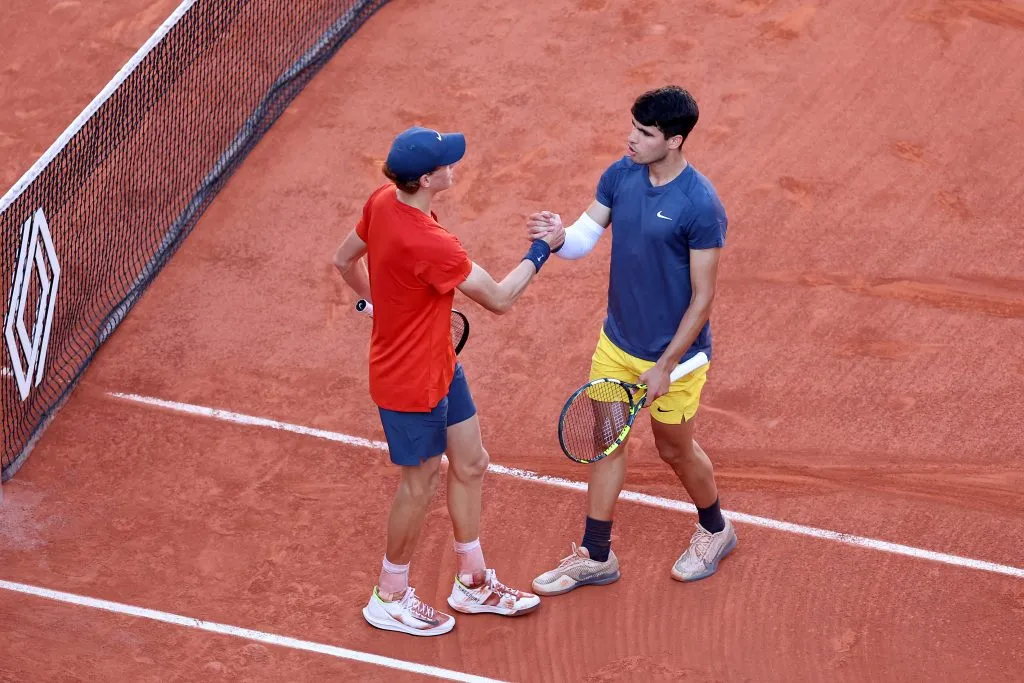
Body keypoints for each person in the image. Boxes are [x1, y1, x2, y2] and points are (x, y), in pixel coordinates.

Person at [333, 126, 554, 636]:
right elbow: (500, 298)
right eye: (446, 163)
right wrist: (542, 250)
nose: (454, 165)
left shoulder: (384, 200)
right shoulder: (431, 243)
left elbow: (343, 260)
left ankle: (472, 583)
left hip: (441, 364)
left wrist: (377, 306)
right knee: (419, 484)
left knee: (471, 463)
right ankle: (389, 596)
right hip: (409, 382)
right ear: (428, 179)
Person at [526, 85, 737, 595]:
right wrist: (558, 237)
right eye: (633, 128)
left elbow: (703, 299)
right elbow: (583, 238)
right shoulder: (620, 175)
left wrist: (665, 365)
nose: (632, 139)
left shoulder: (700, 205)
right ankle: (596, 555)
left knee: (673, 449)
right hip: (616, 344)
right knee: (607, 441)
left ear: (675, 140)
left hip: (677, 359)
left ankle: (716, 528)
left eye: (645, 133)